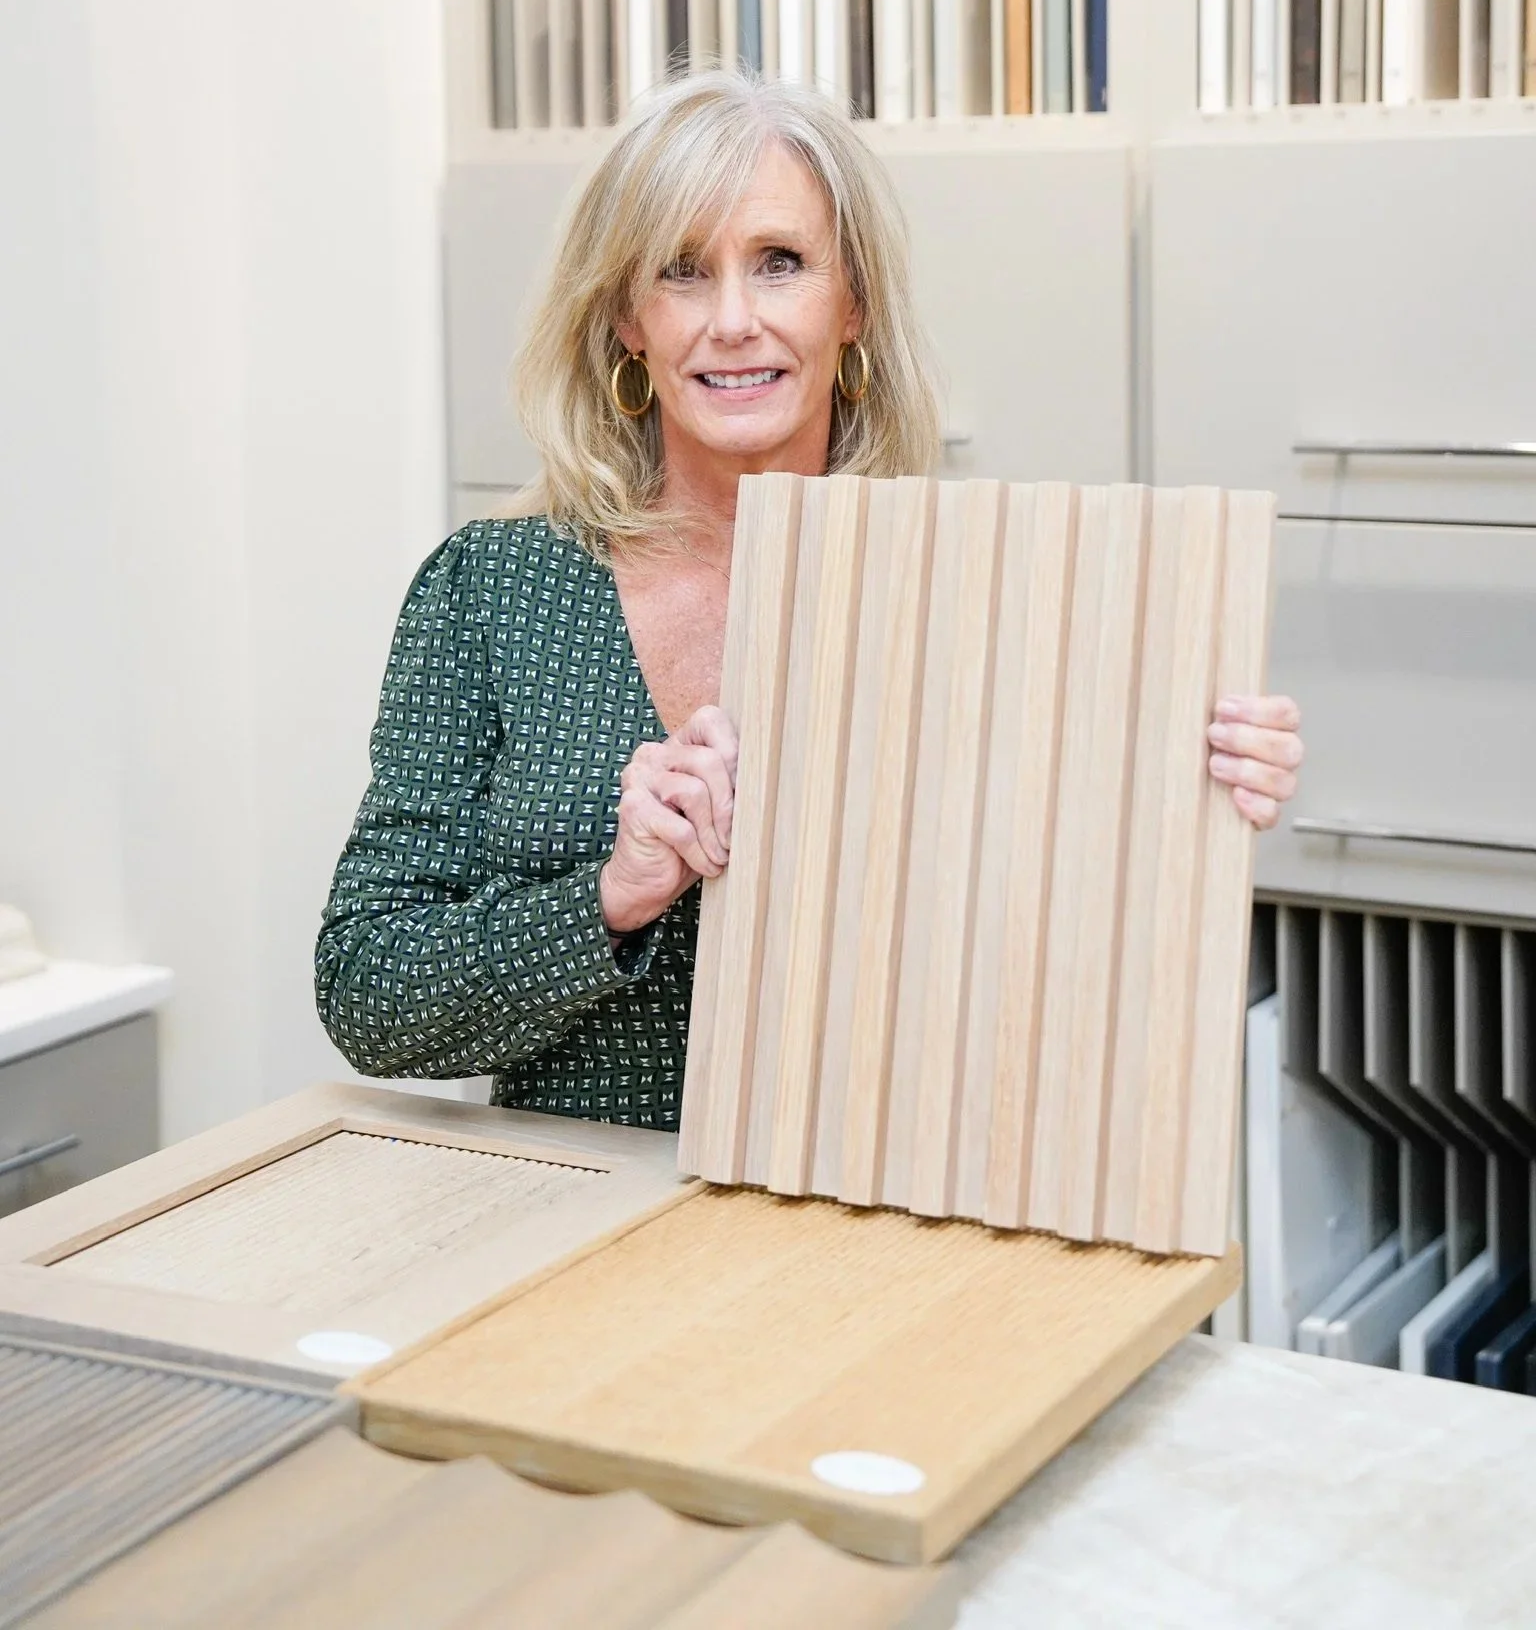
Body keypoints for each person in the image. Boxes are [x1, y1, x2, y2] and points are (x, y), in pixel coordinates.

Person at [316, 70, 1304, 1128]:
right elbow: (369, 993)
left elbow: (1079, 957)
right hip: (585, 1234)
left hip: (889, 1214)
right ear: (627, 322)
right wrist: (615, 893)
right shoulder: (492, 591)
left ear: (853, 306)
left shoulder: (976, 591)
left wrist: (1194, 797)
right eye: (684, 272)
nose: (733, 320)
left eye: (779, 264)